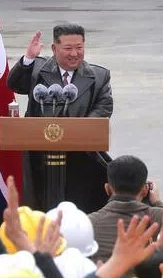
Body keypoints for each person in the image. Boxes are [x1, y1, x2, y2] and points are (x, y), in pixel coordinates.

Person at [7, 24, 114, 213]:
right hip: (39, 156)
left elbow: (104, 106)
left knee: (79, 205)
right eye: (68, 48)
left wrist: (76, 129)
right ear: (54, 48)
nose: (74, 54)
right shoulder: (37, 69)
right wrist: (28, 59)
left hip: (81, 157)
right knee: (39, 207)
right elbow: (14, 84)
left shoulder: (99, 75)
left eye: (79, 48)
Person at [88, 155, 163, 261]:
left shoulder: (89, 222)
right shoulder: (160, 217)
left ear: (108, 189)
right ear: (145, 190)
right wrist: (157, 203)